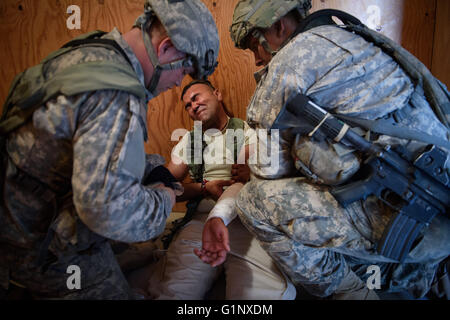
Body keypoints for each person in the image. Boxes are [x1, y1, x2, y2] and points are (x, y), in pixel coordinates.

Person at [197, 0, 450, 300]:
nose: (256, 59)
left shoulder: (290, 62)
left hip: (414, 213)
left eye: (255, 47)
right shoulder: (358, 37)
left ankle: (353, 294)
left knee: (254, 202)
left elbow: (267, 170)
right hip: (435, 200)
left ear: (278, 26)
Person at [0, 0, 219, 299]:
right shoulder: (116, 92)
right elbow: (109, 212)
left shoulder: (88, 54)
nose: (178, 82)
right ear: (166, 49)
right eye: (184, 71)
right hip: (39, 252)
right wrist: (164, 198)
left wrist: (152, 171)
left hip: (20, 221)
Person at [146, 79, 295, 300]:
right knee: (174, 291)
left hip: (247, 222)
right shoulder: (189, 141)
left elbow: (242, 178)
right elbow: (168, 186)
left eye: (196, 97)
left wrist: (249, 171)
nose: (193, 106)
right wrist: (204, 187)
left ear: (217, 94)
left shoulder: (247, 131)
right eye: (187, 105)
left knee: (265, 296)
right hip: (201, 222)